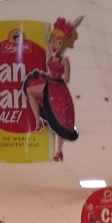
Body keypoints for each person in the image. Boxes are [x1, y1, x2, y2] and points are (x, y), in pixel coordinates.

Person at [24, 16, 84, 162]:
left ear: (64, 44)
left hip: (58, 88)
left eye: (58, 42)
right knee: (30, 90)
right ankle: (38, 121)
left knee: (60, 119)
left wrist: (57, 80)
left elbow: (67, 78)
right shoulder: (50, 57)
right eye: (52, 41)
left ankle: (59, 151)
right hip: (49, 83)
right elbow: (50, 73)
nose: (54, 45)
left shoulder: (64, 60)